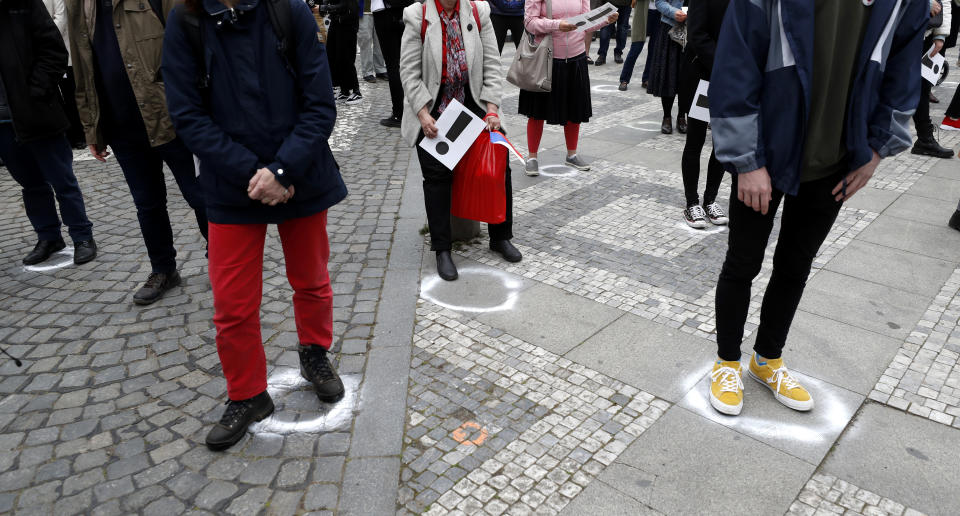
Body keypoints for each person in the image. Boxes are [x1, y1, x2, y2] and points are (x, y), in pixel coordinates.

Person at [707, 0, 927, 416]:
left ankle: (767, 358)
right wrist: (747, 160)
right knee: (743, 262)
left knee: (796, 265)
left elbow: (903, 69)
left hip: (837, 158)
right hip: (766, 153)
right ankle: (727, 361)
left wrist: (878, 149)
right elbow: (737, 61)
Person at [163, 0, 349, 451]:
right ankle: (247, 395)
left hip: (300, 174)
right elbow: (186, 115)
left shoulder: (290, 12)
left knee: (311, 279)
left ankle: (314, 354)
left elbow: (320, 104)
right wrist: (253, 173)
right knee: (232, 305)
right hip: (232, 185)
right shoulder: (186, 20)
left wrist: (283, 170)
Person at [66, 0, 208, 306]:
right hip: (121, 124)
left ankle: (225, 261)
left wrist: (198, 110)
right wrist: (92, 126)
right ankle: (163, 270)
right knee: (147, 203)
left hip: (171, 116)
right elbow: (82, 65)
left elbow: (192, 42)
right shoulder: (79, 3)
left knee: (200, 194)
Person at [400, 0, 522, 281]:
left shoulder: (479, 12)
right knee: (436, 177)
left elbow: (492, 64)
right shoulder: (416, 15)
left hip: (474, 104)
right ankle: (442, 248)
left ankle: (500, 236)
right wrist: (422, 112)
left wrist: (492, 108)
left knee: (498, 167)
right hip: (434, 109)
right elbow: (408, 72)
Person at [0, 0, 96, 266]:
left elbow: (53, 50)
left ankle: (82, 236)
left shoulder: (22, 4)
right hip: (3, 125)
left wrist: (36, 92)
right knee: (30, 184)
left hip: (36, 112)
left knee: (61, 180)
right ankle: (49, 237)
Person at [521, 0, 617, 176]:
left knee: (575, 109)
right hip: (546, 58)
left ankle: (572, 154)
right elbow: (529, 22)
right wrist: (557, 25)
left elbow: (586, 22)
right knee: (537, 112)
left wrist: (605, 20)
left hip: (576, 57)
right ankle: (532, 157)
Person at [677, 0, 727, 228]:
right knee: (695, 141)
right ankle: (692, 202)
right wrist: (727, 65)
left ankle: (710, 199)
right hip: (703, 76)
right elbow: (697, 35)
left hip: (732, 80)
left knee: (722, 142)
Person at [912, 0, 953, 157]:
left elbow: (945, 1)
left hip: (925, 31)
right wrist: (923, 4)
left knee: (923, 86)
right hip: (897, 31)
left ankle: (924, 138)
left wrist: (941, 34)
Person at [42, 0, 84, 149]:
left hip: (62, 53)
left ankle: (78, 136)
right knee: (56, 99)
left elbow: (61, 17)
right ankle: (66, 135)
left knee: (71, 96)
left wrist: (43, 37)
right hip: (41, 58)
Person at [374, 0, 417, 127]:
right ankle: (414, 109)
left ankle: (399, 113)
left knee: (392, 64)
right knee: (409, 61)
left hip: (384, 12)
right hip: (406, 9)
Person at [648, 0, 686, 135]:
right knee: (668, 72)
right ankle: (667, 116)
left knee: (687, 76)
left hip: (695, 29)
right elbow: (659, 2)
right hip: (670, 28)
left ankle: (682, 116)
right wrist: (673, 12)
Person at [325, 0, 363, 103]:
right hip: (336, 21)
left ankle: (356, 91)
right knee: (335, 56)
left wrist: (328, 7)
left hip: (347, 23)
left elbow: (348, 5)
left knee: (346, 57)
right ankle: (344, 90)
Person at [618, 1, 648, 90]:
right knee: (635, 48)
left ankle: (647, 79)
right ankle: (624, 80)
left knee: (653, 50)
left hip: (659, 13)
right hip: (641, 11)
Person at [359, 0, 388, 82]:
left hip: (380, 10)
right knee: (365, 42)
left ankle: (380, 69)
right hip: (364, 11)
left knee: (380, 41)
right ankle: (367, 72)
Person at [596, 0, 631, 65]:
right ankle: (602, 54)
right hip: (609, 3)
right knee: (605, 28)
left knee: (622, 30)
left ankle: (618, 52)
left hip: (626, 4)